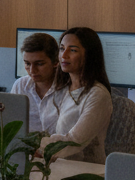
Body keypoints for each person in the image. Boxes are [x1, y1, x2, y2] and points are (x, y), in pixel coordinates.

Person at [39, 28, 113, 164]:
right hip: (60, 165)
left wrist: (38, 147)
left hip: (87, 174)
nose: (64, 55)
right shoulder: (61, 89)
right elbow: (48, 131)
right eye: (62, 49)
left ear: (89, 56)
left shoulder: (98, 95)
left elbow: (75, 141)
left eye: (72, 50)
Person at [11, 32, 63, 133]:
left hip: (58, 147)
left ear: (56, 62)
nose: (32, 70)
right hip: (25, 147)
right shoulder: (20, 85)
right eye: (27, 63)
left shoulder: (67, 87)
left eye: (39, 64)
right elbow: (11, 122)